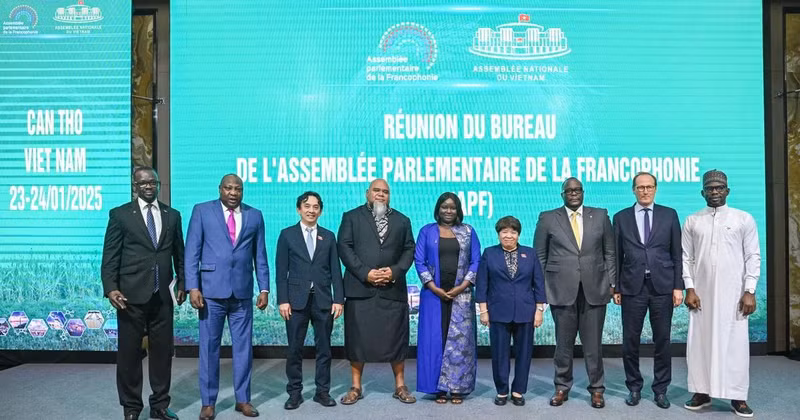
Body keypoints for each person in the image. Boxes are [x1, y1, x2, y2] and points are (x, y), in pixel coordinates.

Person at [101, 167, 184, 420]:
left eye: (153, 182)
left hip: (162, 297)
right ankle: (131, 407)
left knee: (162, 355)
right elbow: (110, 256)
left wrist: (183, 282)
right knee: (129, 354)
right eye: (143, 182)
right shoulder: (120, 215)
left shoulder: (173, 215)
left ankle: (159, 405)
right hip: (130, 297)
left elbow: (179, 255)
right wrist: (111, 288)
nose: (149, 186)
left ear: (158, 185)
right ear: (135, 185)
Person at [184, 174, 270, 420]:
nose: (233, 192)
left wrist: (264, 288)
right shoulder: (202, 211)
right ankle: (208, 402)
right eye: (229, 188)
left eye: (238, 189)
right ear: (220, 189)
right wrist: (193, 287)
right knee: (209, 348)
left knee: (243, 349)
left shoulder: (255, 215)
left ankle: (243, 400)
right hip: (210, 293)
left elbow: (260, 255)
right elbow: (192, 252)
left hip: (242, 293)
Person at [682, 169, 760, 418]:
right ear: (702, 192)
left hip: (733, 295)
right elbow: (687, 258)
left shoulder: (743, 219)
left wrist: (749, 290)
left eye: (719, 188)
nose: (714, 192)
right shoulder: (692, 220)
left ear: (728, 191)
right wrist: (689, 288)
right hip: (701, 295)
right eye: (710, 188)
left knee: (735, 345)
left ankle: (738, 396)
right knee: (700, 344)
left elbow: (753, 256)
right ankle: (702, 392)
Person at [533, 177, 616, 409]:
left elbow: (610, 252)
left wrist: (612, 284)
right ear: (562, 194)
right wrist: (541, 289)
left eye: (577, 189)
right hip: (561, 289)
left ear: (583, 192)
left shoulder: (600, 215)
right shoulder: (548, 218)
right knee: (563, 345)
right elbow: (540, 255)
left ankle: (597, 389)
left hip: (595, 288)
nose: (573, 193)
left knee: (593, 346)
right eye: (569, 190)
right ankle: (561, 387)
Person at [337, 179, 416, 405]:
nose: (380, 195)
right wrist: (366, 273)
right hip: (360, 289)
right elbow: (344, 247)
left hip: (392, 290)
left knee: (397, 340)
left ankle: (400, 386)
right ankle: (355, 386)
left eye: (385, 192)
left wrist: (393, 271)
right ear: (367, 193)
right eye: (376, 191)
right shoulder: (351, 217)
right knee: (357, 339)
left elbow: (409, 250)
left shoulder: (402, 220)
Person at [612, 172, 684, 409]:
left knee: (662, 340)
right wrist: (616, 287)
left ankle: (661, 389)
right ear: (633, 190)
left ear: (655, 189)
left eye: (649, 187)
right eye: (640, 187)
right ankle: (634, 387)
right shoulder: (621, 217)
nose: (645, 191)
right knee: (630, 341)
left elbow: (677, 253)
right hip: (632, 287)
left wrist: (677, 286)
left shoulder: (669, 214)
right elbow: (616, 256)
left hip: (662, 287)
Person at [276, 191, 344, 410]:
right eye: (307, 206)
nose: (311, 210)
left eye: (316, 207)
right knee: (294, 349)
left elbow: (335, 270)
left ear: (321, 211)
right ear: (299, 209)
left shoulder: (329, 236)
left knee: (324, 349)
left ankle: (322, 392)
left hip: (324, 301)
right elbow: (281, 271)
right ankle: (294, 393)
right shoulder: (287, 235)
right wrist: (283, 300)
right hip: (295, 302)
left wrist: (339, 300)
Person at [414, 193, 481, 404]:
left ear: (458, 210)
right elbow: (419, 261)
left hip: (461, 297)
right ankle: (438, 389)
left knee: (460, 342)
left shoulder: (468, 231)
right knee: (435, 340)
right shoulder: (427, 231)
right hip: (434, 296)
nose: (448, 211)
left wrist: (461, 287)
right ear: (438, 209)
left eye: (453, 207)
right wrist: (434, 287)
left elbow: (476, 261)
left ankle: (458, 388)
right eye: (444, 207)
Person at [476, 216, 546, 407]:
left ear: (518, 234)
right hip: (498, 311)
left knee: (524, 353)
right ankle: (501, 390)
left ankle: (518, 391)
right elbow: (482, 283)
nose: (508, 236)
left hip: (526, 311)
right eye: (504, 232)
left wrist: (539, 310)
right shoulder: (489, 254)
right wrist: (483, 311)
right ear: (498, 234)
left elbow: (538, 283)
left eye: (513, 232)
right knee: (499, 353)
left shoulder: (530, 254)